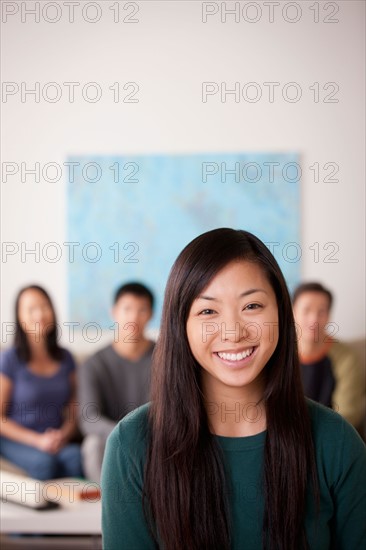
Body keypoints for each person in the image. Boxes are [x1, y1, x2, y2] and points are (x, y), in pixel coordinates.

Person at [101, 228, 366, 550]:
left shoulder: (336, 441)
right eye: (208, 311)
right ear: (179, 325)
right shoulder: (131, 445)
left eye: (252, 306)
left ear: (282, 315)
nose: (233, 331)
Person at [0, 285, 83, 481]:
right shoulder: (9, 360)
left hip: (55, 437)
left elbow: (74, 406)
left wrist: (63, 434)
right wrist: (38, 441)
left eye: (44, 306)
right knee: (44, 463)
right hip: (18, 439)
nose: (40, 314)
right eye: (31, 309)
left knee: (76, 458)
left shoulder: (66, 358)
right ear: (20, 317)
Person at [78, 282, 155, 483]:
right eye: (127, 309)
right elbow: (89, 418)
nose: (134, 317)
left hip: (152, 436)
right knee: (92, 444)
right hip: (109, 438)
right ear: (114, 312)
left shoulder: (166, 358)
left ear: (151, 315)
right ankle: (108, 505)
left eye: (142, 310)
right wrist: (122, 434)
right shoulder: (93, 364)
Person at [293, 282, 365, 431]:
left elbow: (347, 414)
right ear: (293, 312)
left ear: (329, 315)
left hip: (332, 436)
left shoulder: (346, 358)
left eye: (321, 311)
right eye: (306, 310)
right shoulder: (277, 354)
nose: (314, 319)